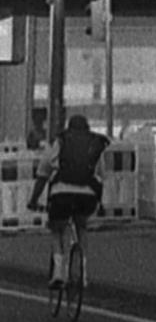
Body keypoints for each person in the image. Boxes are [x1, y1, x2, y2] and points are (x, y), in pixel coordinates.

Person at [38, 109, 104, 300]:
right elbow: (101, 175)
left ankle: (59, 271)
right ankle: (82, 271)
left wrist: (34, 200)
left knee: (56, 228)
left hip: (62, 193)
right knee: (81, 226)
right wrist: (101, 202)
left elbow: (44, 171)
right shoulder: (95, 144)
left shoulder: (60, 141)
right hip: (87, 195)